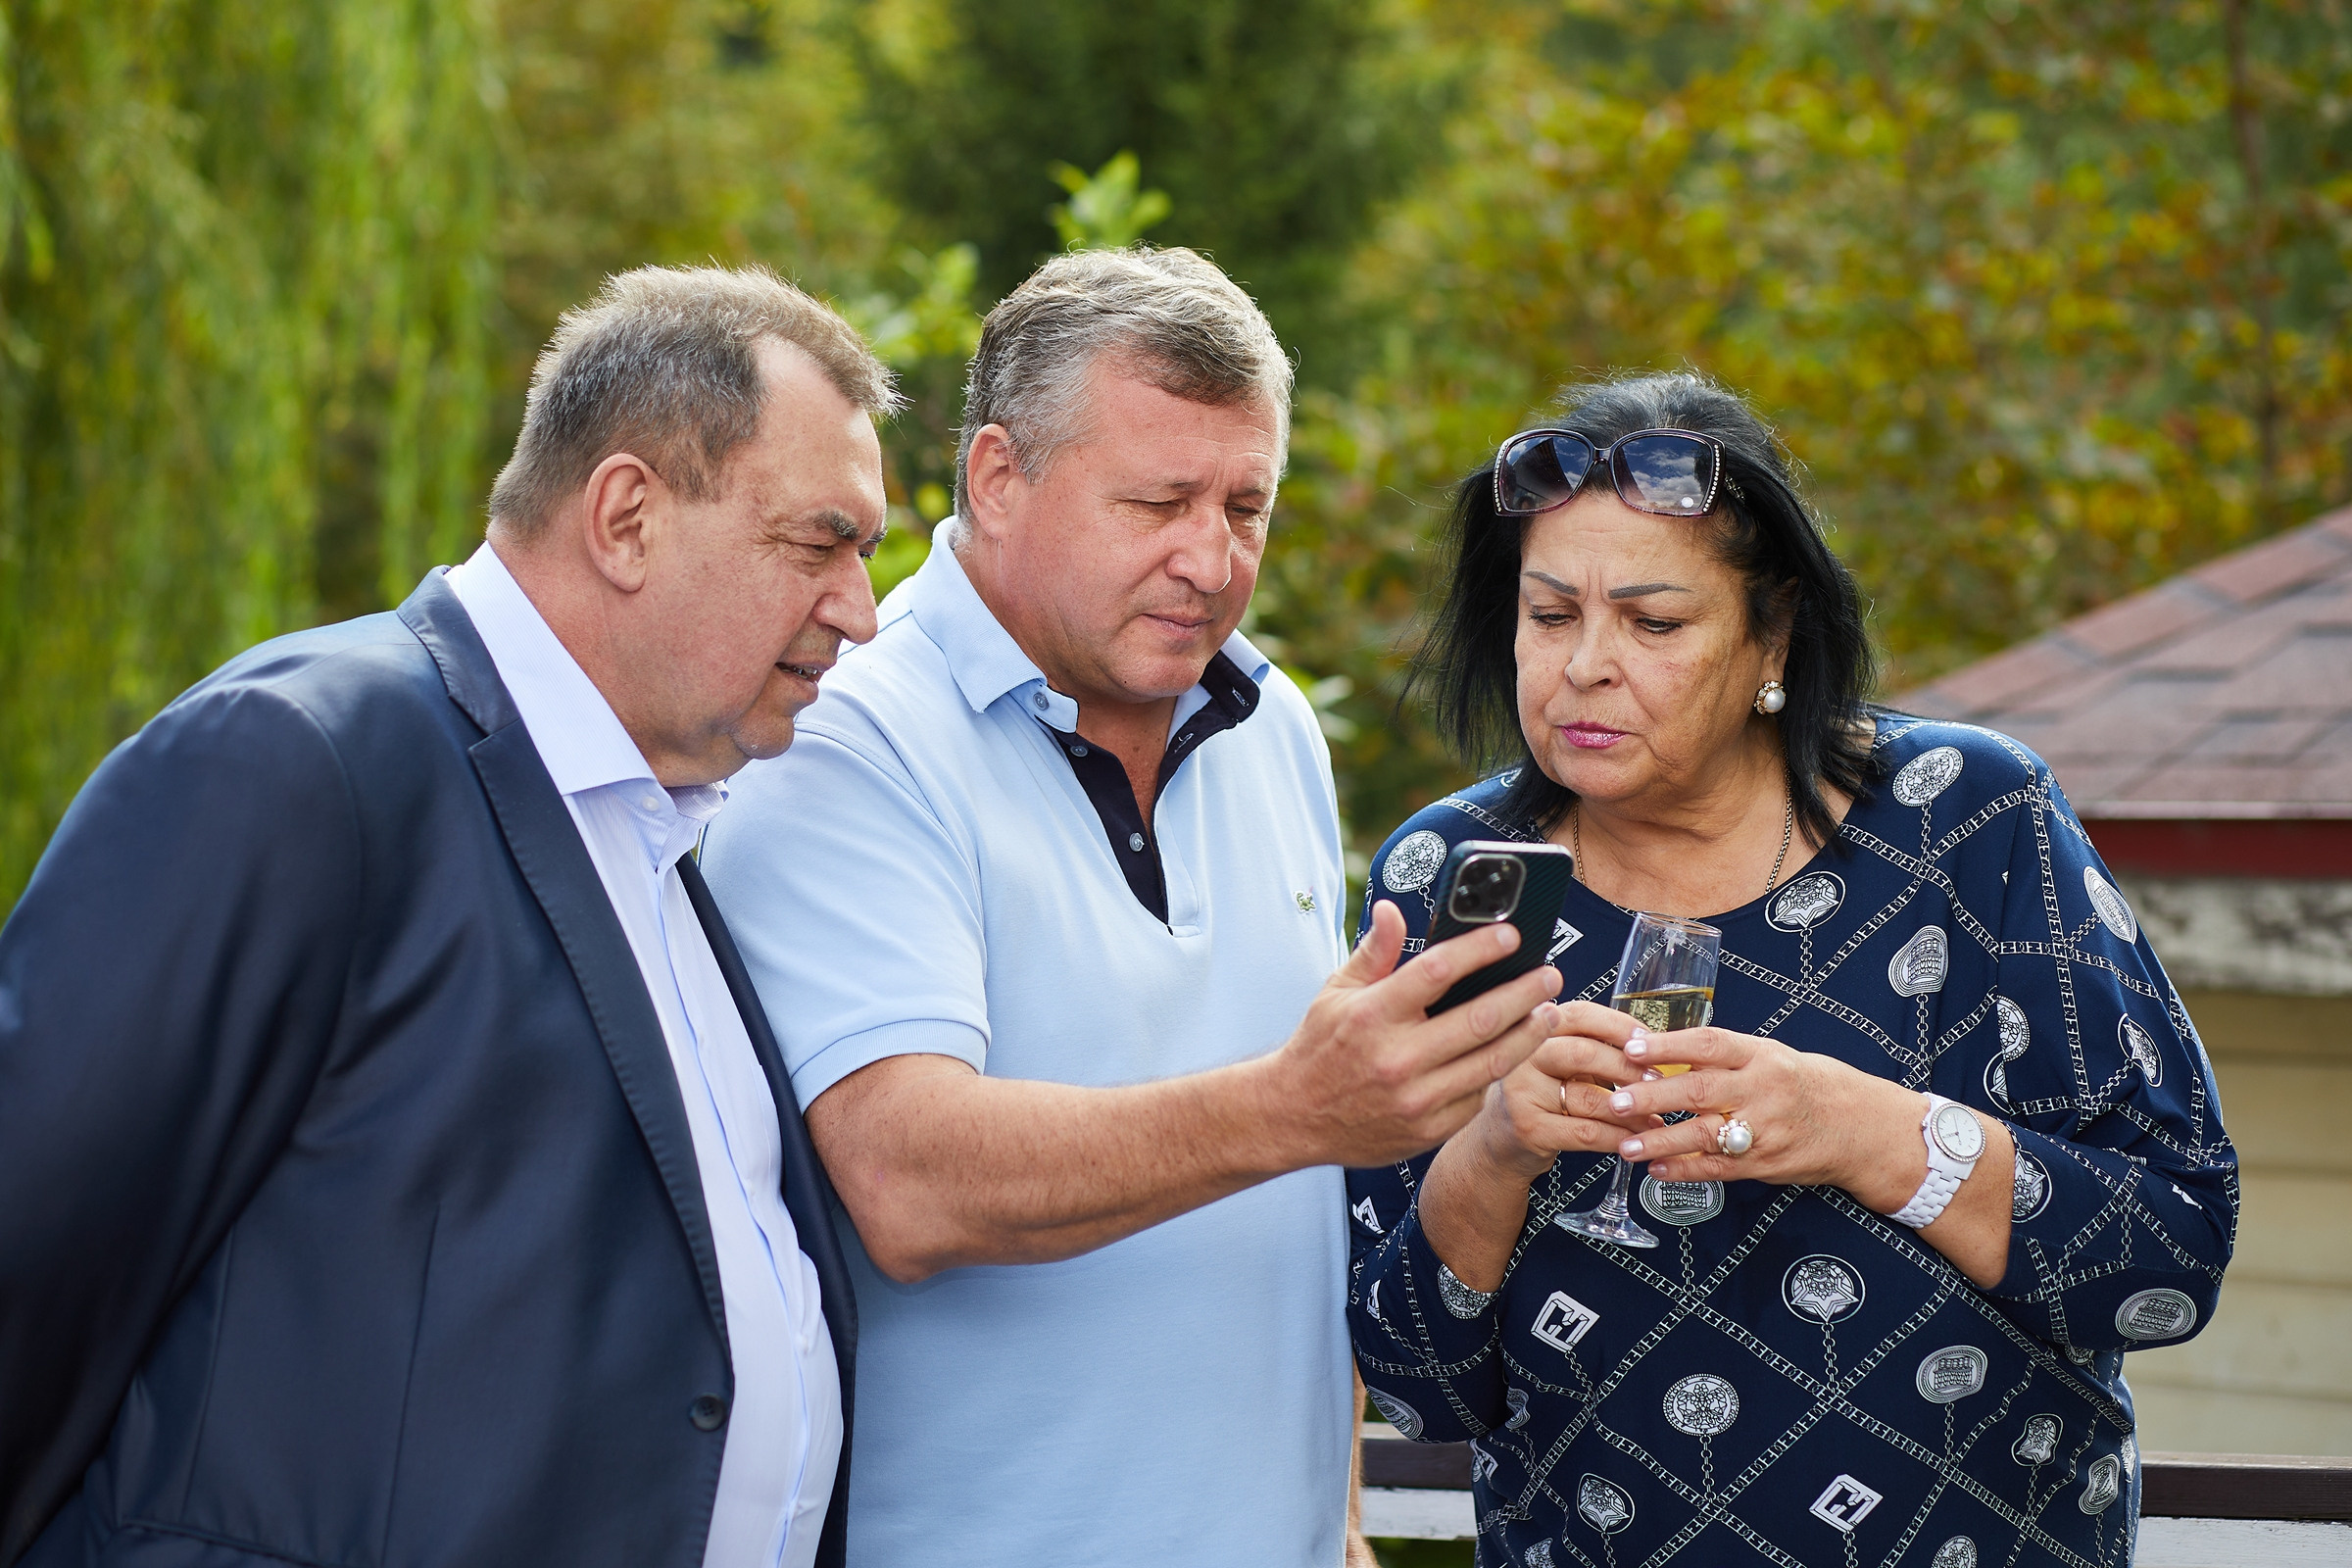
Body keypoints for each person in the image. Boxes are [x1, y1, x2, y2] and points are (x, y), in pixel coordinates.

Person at [0, 266, 896, 1568]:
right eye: (820, 543)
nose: (859, 612)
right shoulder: (300, 762)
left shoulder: (660, 836)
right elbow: (33, 1254)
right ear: (628, 516)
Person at [698, 246, 1565, 1568]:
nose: (1210, 561)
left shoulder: (1271, 719)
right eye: (1157, 502)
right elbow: (903, 1179)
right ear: (998, 476)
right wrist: (1292, 1104)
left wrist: (1336, 1517)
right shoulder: (847, 735)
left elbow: (1295, 1206)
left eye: (1248, 509)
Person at [1348, 372, 2237, 1567]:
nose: (1584, 667)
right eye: (1550, 613)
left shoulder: (1965, 820)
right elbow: (1415, 1384)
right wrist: (1498, 1147)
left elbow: (2170, 1254)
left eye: (1654, 623)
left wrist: (1863, 1130)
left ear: (1773, 636)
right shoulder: (1454, 874)